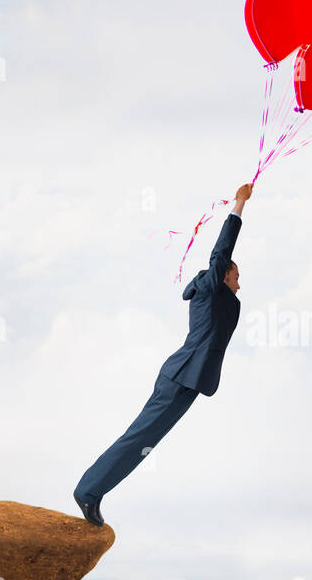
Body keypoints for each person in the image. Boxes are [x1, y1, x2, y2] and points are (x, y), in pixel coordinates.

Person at [73, 183, 253, 526]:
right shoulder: (213, 286)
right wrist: (239, 205)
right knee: (139, 437)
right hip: (181, 376)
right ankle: (88, 491)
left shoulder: (219, 295)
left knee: (145, 444)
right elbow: (221, 251)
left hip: (190, 381)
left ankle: (94, 491)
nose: (239, 284)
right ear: (224, 274)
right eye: (236, 277)